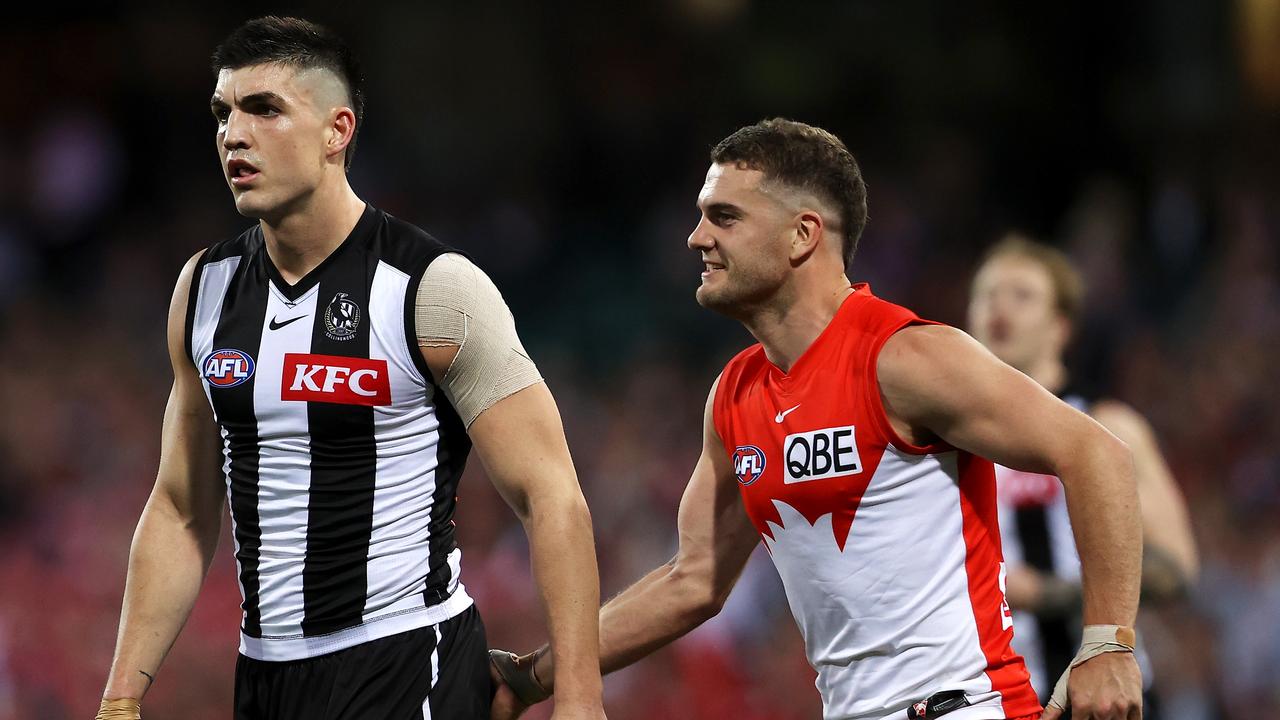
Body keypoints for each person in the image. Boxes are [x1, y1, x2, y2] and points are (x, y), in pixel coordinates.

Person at [490, 119, 1144, 720]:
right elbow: (693, 581)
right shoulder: (735, 396)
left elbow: (1097, 455)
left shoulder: (904, 356)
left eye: (724, 217)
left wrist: (1108, 643)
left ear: (803, 235)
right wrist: (535, 678)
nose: (697, 238)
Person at [95, 16, 605, 720]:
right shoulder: (204, 288)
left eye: (264, 109)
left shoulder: (433, 288)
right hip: (266, 679)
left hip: (404, 661)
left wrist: (581, 700)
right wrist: (122, 694)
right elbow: (182, 509)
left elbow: (552, 496)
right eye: (222, 112)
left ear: (338, 131)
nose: (233, 135)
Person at [968, 235, 1199, 715]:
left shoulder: (1108, 426)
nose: (1000, 308)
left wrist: (1052, 594)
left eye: (1023, 295)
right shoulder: (946, 442)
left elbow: (1176, 568)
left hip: (1098, 697)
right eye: (988, 294)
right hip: (987, 699)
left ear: (1060, 327)